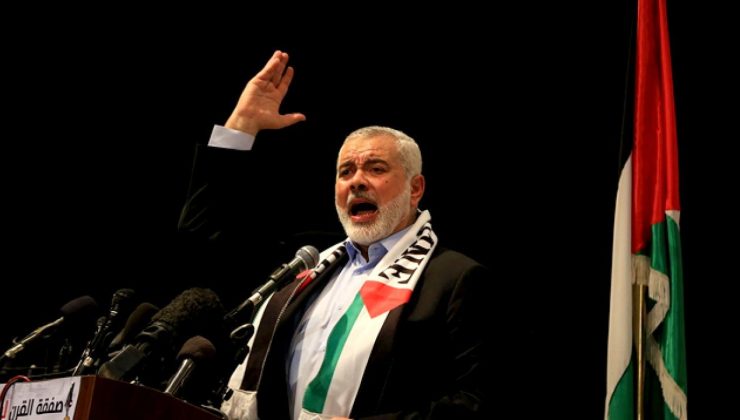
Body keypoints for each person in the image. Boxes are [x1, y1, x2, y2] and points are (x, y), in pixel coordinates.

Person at [180, 51, 493, 419]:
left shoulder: (455, 280)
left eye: (376, 169)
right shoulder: (303, 262)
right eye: (345, 172)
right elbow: (201, 235)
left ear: (415, 188)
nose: (356, 181)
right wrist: (241, 126)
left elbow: (477, 403)